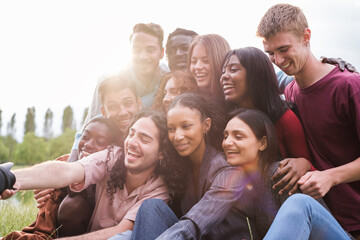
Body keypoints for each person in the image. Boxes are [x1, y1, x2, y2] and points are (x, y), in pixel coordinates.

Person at [257, 3, 360, 237]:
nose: (278, 60)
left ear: (306, 37)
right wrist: (303, 161)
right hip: (321, 218)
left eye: (284, 49)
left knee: (298, 206)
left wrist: (330, 176)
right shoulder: (292, 92)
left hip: (354, 226)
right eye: (270, 53)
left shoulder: (349, 86)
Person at [1, 110, 185, 240]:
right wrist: (11, 178)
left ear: (162, 153)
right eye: (132, 134)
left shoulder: (160, 189)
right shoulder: (113, 156)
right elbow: (67, 171)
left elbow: (121, 231)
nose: (133, 143)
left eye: (144, 139)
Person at [112, 93, 252, 240]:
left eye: (186, 126)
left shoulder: (226, 170)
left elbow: (194, 224)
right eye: (171, 129)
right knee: (151, 207)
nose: (177, 136)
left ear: (206, 125)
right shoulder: (179, 169)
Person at [223, 108, 350, 240]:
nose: (227, 142)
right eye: (225, 136)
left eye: (238, 136)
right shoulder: (243, 186)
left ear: (263, 143)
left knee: (298, 202)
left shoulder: (282, 175)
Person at [2, 117, 122, 239]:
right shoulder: (64, 164)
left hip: (95, 234)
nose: (88, 144)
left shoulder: (115, 176)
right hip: (53, 233)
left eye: (100, 142)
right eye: (85, 137)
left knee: (74, 206)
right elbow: (43, 229)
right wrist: (11, 180)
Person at [220, 46, 315, 195]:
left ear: (255, 75)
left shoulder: (284, 118)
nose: (224, 76)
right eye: (223, 71)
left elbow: (310, 169)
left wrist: (304, 163)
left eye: (234, 70)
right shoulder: (229, 119)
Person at [68, 74, 142, 162]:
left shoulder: (152, 131)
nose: (123, 112)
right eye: (113, 106)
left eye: (128, 103)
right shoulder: (98, 134)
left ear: (139, 104)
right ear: (103, 112)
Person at [188, 34, 230, 99]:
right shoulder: (187, 99)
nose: (198, 67)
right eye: (193, 61)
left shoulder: (234, 100)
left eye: (206, 61)